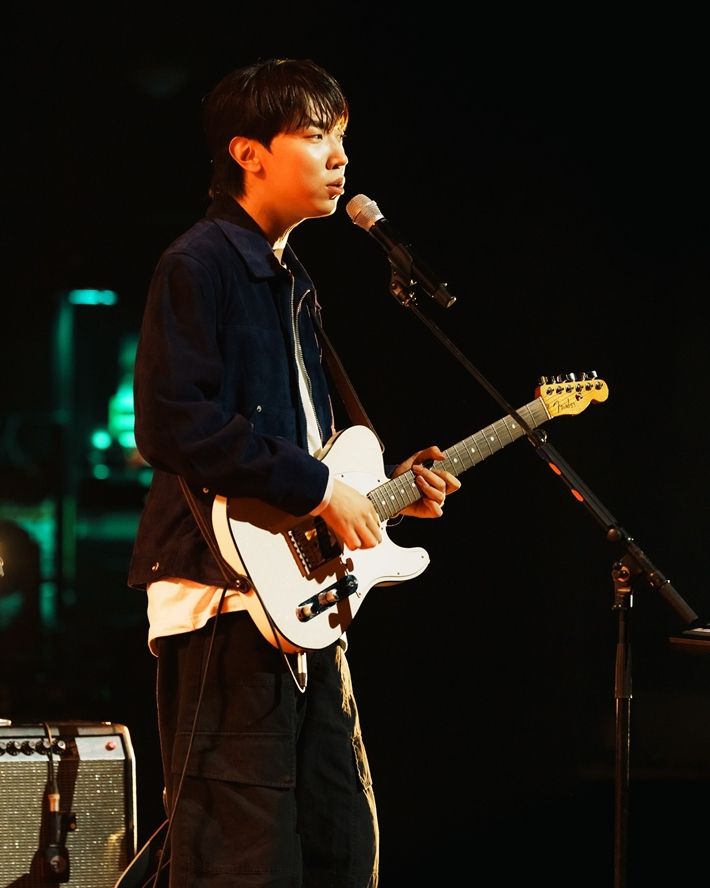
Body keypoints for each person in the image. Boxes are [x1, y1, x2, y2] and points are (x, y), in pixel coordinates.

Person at [127, 57, 461, 888]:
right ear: (249, 153)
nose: (339, 157)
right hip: (225, 602)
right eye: (316, 136)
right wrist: (319, 490)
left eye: (341, 137)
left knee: (342, 849)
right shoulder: (199, 263)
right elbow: (172, 421)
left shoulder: (293, 279)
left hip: (308, 606)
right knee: (241, 863)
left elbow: (307, 442)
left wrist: (379, 494)